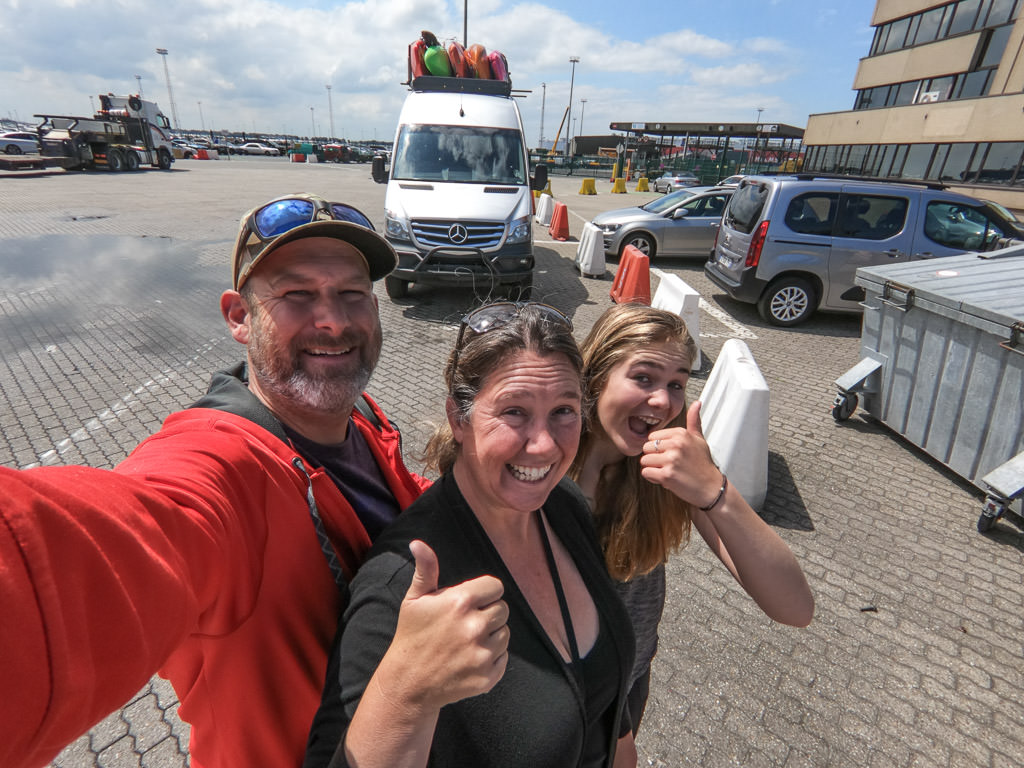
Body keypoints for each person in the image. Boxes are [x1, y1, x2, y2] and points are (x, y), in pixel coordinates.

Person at [0, 194, 502, 768]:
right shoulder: (221, 470)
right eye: (296, 295)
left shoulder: (360, 416)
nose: (334, 320)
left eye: (352, 294)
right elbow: (100, 546)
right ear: (240, 316)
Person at [305, 302, 638, 768]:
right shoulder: (402, 584)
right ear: (459, 419)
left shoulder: (564, 507)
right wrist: (405, 693)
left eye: (563, 410)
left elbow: (606, 698)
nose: (543, 444)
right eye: (515, 412)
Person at [569, 304, 814, 734]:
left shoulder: (670, 470)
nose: (663, 401)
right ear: (596, 376)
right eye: (643, 377)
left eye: (677, 384)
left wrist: (714, 491)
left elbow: (794, 607)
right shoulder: (546, 460)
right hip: (548, 691)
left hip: (623, 690)